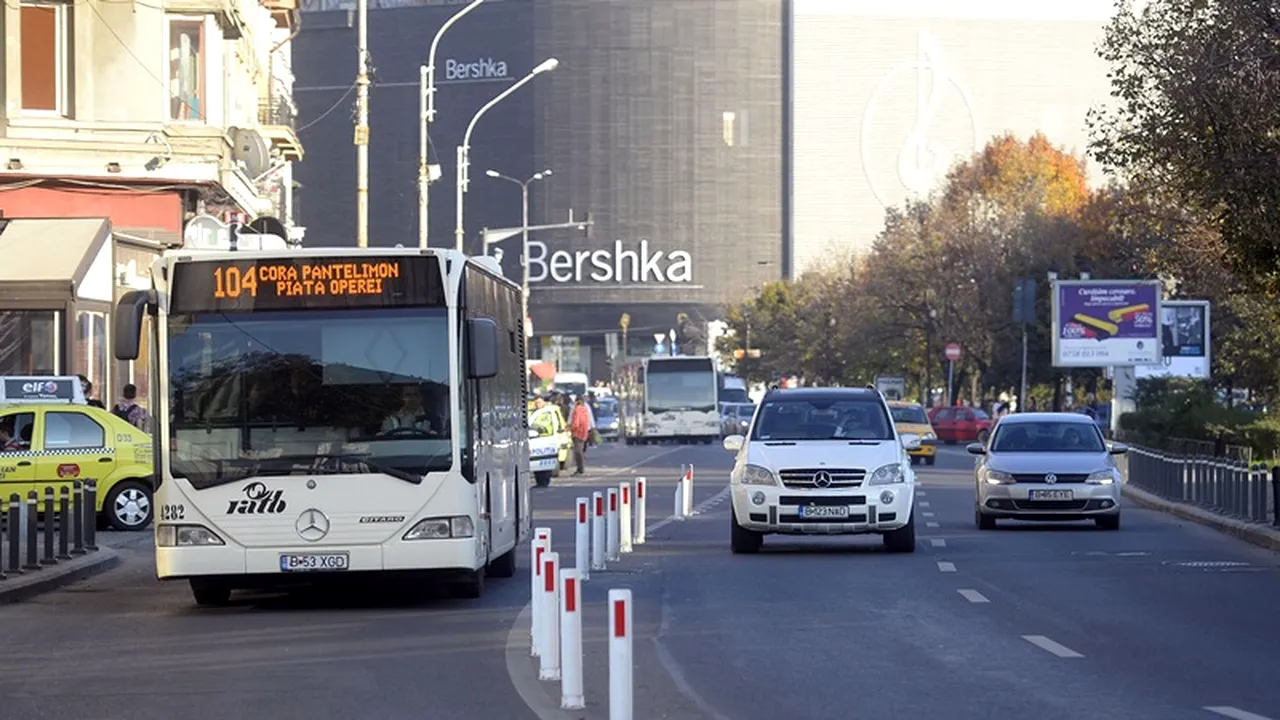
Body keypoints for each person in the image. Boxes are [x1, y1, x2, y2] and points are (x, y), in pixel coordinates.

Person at [569, 395, 592, 476]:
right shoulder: (585, 410)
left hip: (577, 433)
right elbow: (588, 421)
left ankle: (580, 469)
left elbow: (576, 423)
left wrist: (569, 428)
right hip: (584, 432)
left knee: (578, 452)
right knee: (580, 451)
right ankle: (580, 469)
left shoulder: (577, 410)